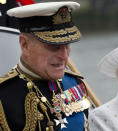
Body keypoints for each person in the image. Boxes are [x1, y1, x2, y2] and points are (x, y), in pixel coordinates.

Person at [0, 2, 91, 131]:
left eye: (67, 46)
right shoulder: (4, 96)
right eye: (54, 47)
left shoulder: (75, 83)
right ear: (25, 45)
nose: (64, 56)